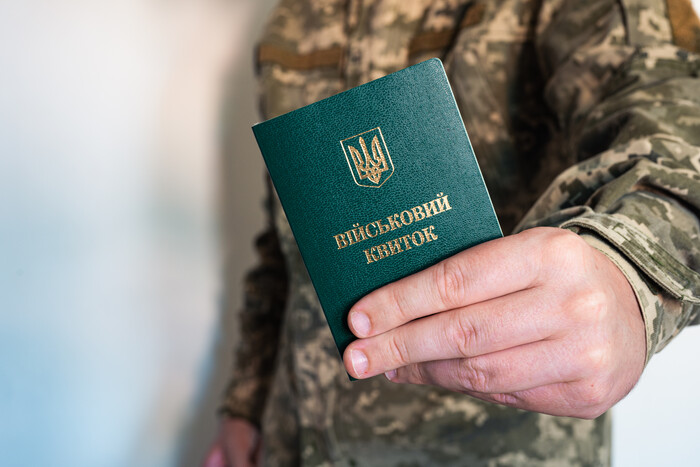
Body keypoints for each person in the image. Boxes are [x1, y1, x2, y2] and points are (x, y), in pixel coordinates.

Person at [206, 0, 700, 465]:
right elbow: (289, 241)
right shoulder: (293, 17)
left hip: (491, 446)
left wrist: (626, 272)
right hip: (295, 440)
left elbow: (677, 140)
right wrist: (248, 402)